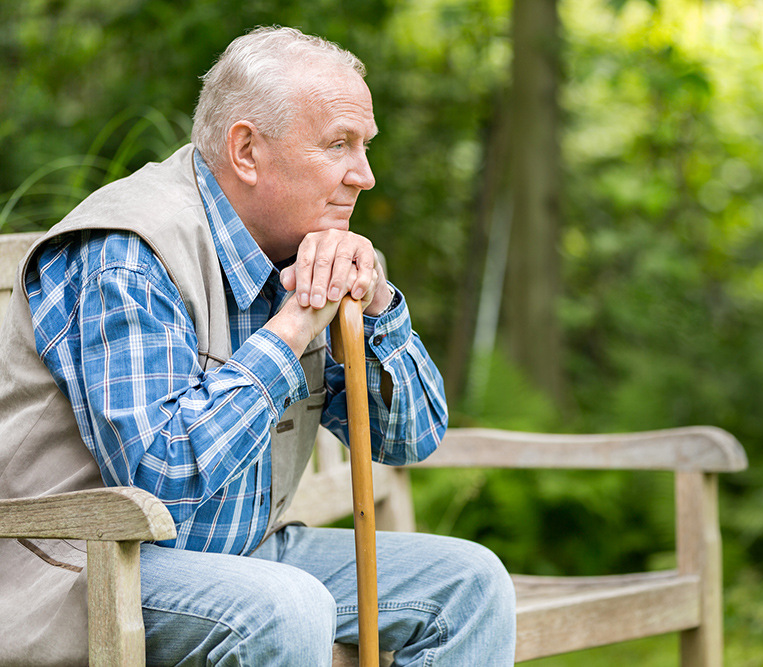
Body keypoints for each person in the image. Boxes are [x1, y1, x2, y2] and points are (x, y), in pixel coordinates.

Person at [0, 26, 516, 666]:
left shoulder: (300, 249)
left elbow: (408, 440)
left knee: (468, 584)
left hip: (242, 556)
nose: (366, 176)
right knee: (285, 606)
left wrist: (375, 302)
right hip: (80, 565)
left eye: (365, 146)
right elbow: (163, 480)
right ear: (246, 151)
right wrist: (297, 324)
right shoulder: (128, 254)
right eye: (339, 145)